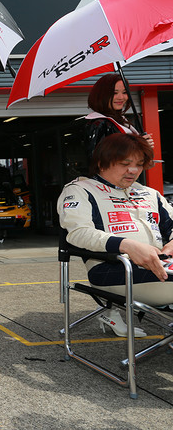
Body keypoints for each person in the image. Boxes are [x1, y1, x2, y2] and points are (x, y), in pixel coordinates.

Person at [58, 133, 173, 337]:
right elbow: (78, 233)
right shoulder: (80, 190)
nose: (133, 170)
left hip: (160, 264)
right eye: (125, 163)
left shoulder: (149, 193)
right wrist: (127, 245)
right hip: (113, 268)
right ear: (102, 163)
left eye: (139, 164)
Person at [83, 73, 155, 158]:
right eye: (114, 93)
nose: (121, 97)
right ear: (101, 95)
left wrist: (143, 146)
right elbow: (99, 159)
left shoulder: (122, 121)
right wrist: (138, 147)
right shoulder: (99, 124)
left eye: (124, 92)